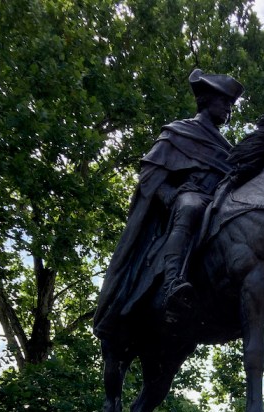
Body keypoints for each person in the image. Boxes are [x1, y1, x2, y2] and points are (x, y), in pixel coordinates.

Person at [94, 68, 244, 338]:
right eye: (224, 102)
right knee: (191, 207)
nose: (228, 111)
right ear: (207, 100)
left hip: (220, 200)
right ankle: (172, 283)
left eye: (231, 106)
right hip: (187, 196)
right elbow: (149, 175)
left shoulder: (226, 147)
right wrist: (171, 195)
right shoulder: (179, 132)